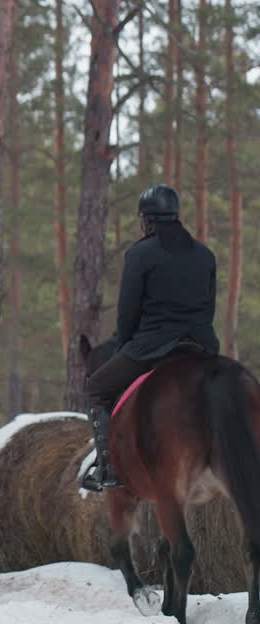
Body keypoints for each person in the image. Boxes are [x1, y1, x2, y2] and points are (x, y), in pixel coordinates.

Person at [81, 184, 218, 491]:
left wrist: (126, 344)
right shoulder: (205, 255)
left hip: (153, 347)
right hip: (202, 347)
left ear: (147, 219)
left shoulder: (140, 254)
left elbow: (127, 312)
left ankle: (108, 468)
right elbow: (209, 309)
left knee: (96, 389)